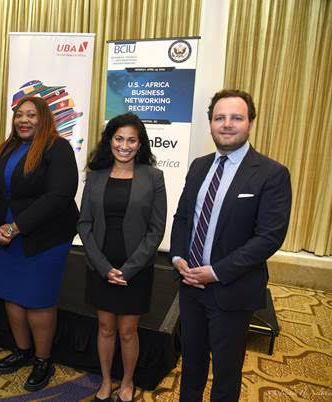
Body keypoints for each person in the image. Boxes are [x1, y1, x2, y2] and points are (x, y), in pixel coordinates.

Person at [170, 89, 292, 402]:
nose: (226, 124)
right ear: (210, 123)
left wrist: (215, 272)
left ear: (250, 122)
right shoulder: (199, 166)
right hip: (190, 286)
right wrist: (178, 256)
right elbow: (183, 217)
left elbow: (268, 237)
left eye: (236, 118)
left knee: (226, 373)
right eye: (219, 118)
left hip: (232, 290)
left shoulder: (272, 174)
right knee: (191, 363)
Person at [0, 96, 79, 392]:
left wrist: (15, 227)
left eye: (31, 115)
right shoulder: (5, 149)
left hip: (45, 237)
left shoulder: (57, 147)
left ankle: (43, 360)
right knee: (12, 296)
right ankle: (22, 351)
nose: (24, 120)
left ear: (44, 118)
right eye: (19, 115)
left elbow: (60, 195)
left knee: (38, 299)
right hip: (4, 235)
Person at [78, 113, 166, 402]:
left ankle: (127, 381)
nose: (124, 146)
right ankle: (105, 380)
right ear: (110, 140)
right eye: (119, 139)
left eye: (131, 140)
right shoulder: (95, 176)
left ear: (140, 144)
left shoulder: (153, 177)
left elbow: (156, 229)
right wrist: (104, 268)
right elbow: (84, 224)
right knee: (105, 328)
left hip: (135, 269)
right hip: (100, 266)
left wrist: (128, 270)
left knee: (128, 331)